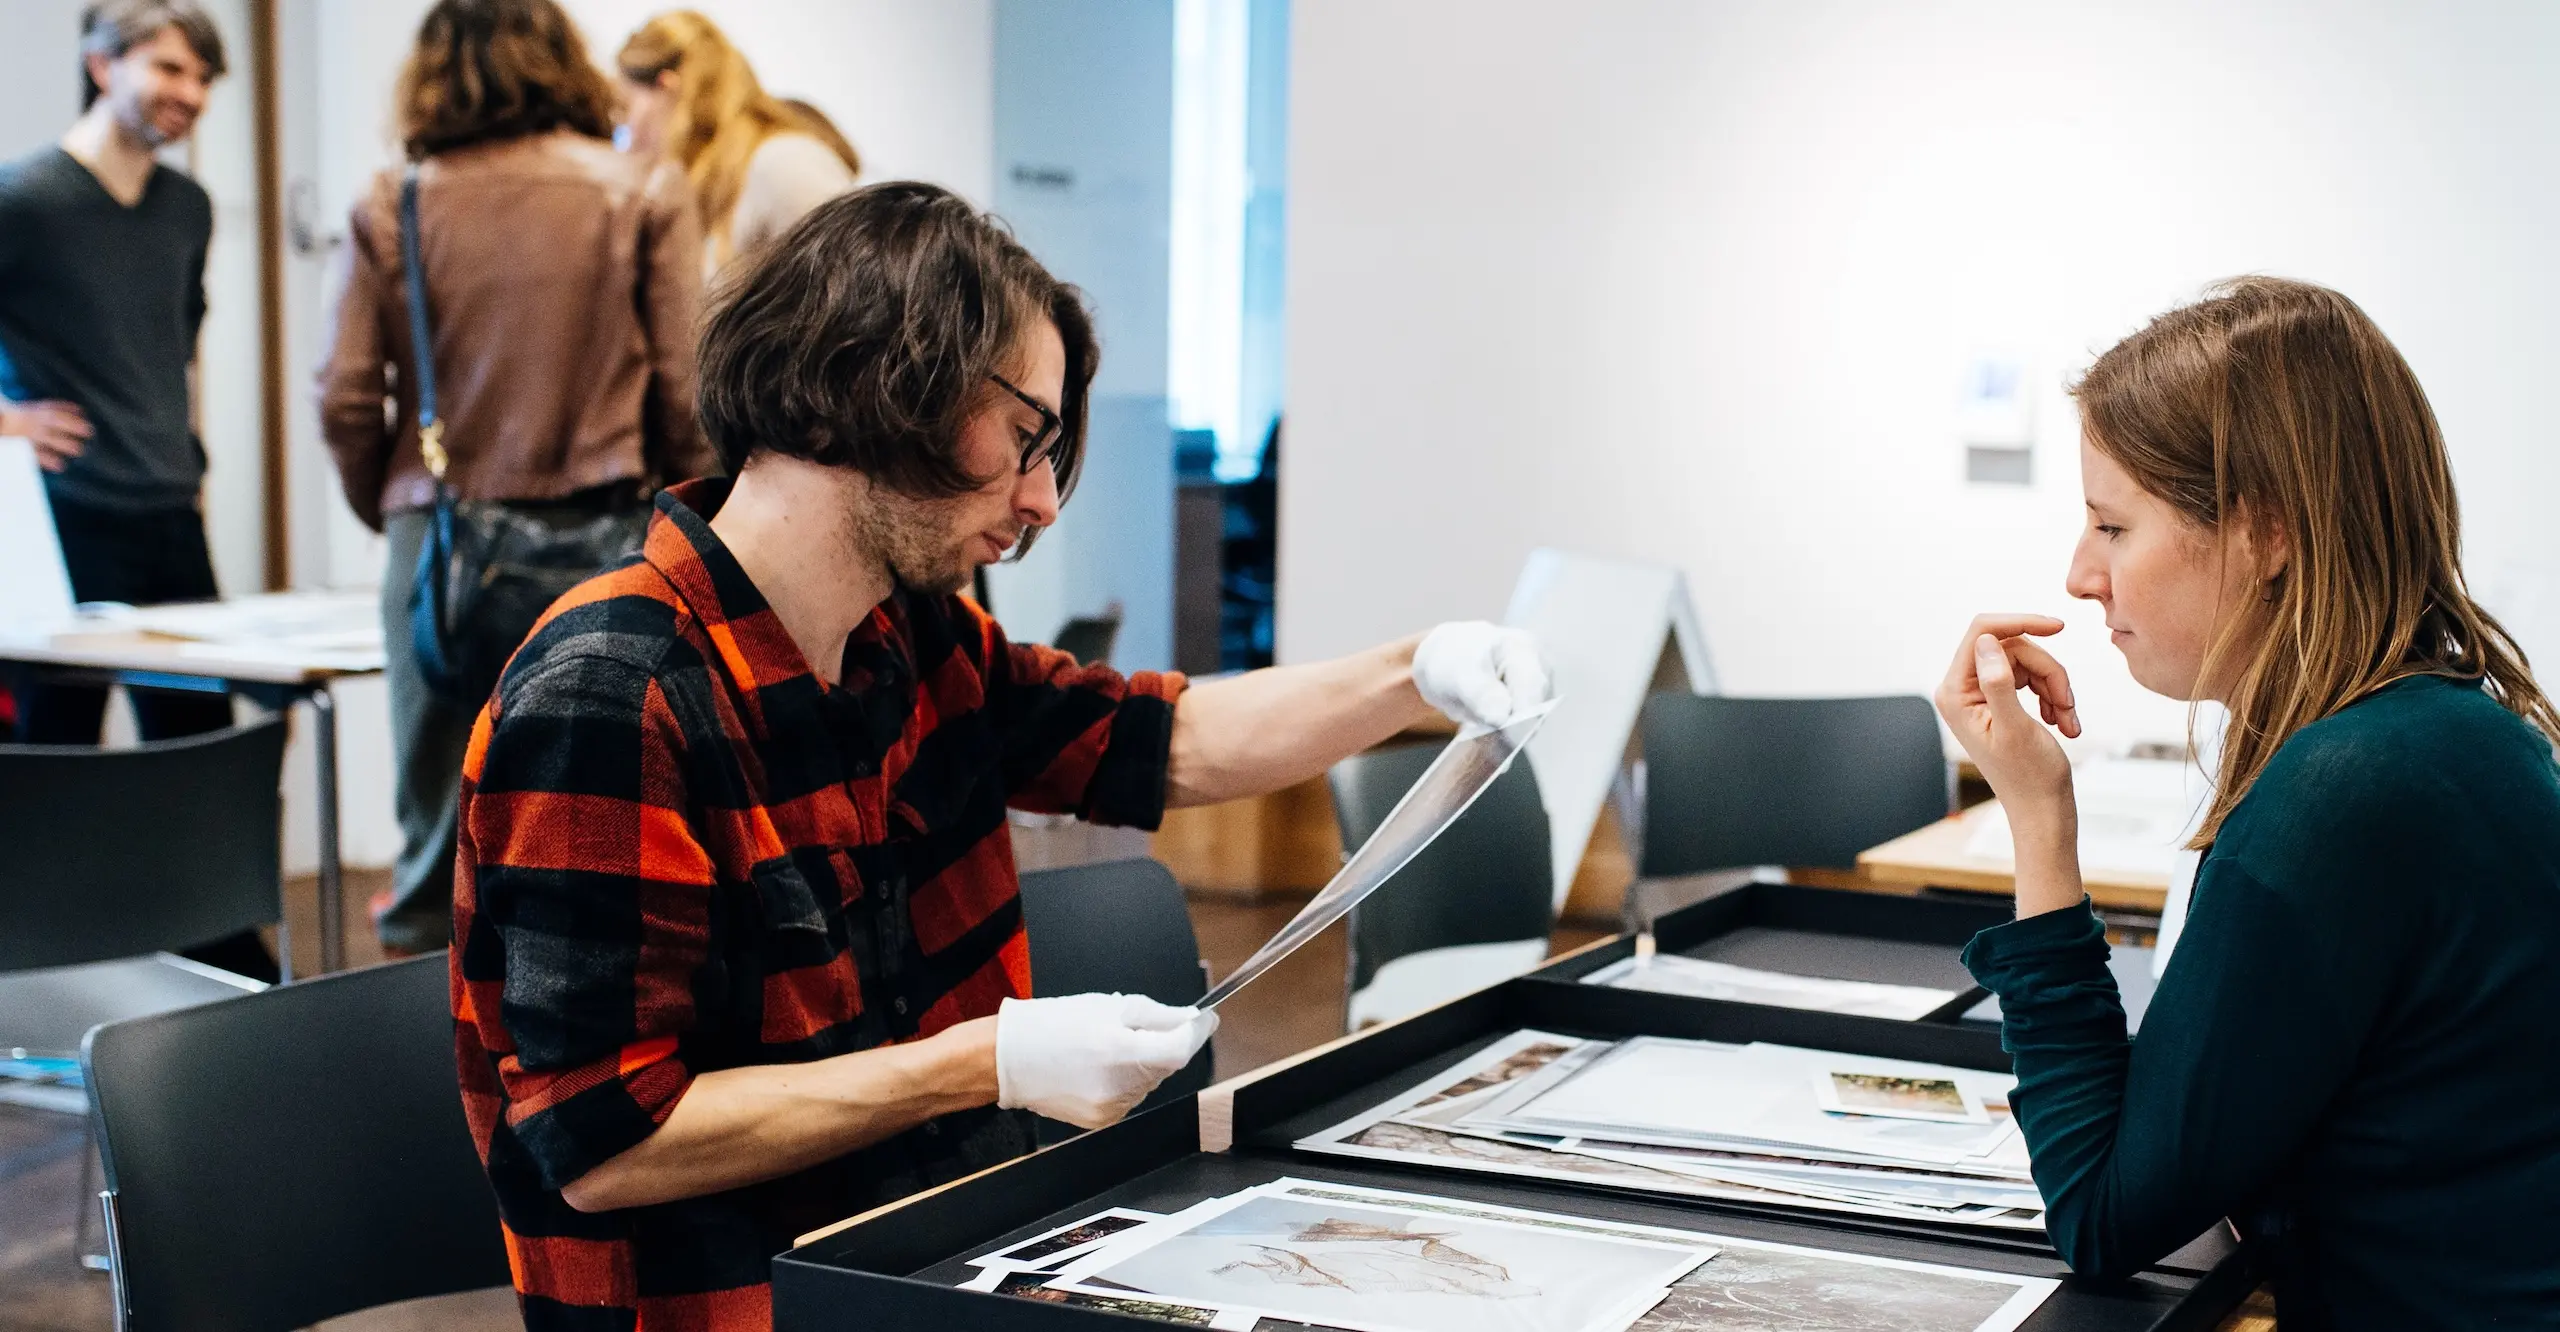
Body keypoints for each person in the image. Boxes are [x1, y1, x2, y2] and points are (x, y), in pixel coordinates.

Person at [451, 180, 1553, 1331]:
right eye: (1024, 436)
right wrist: (989, 1063)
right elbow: (605, 1145)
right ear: (867, 383)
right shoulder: (610, 698)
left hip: (935, 1251)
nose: (1040, 499)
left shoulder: (903, 637)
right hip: (737, 1305)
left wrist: (1414, 671)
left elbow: (1159, 741)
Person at [1939, 278, 2560, 1328]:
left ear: (2264, 534)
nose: (2080, 575)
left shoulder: (2338, 794)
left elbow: (2100, 1214)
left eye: (2111, 525)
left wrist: (2038, 819)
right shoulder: (2451, 727)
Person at [319, 0, 716, 956]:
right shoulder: (645, 189)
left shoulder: (395, 199)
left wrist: (397, 502)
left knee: (436, 837)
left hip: (442, 542)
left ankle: (418, 1069)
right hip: (610, 536)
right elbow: (685, 392)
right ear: (562, 63)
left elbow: (342, 396)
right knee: (605, 812)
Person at [0, 2, 278, 982]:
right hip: (66, 522)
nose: (188, 95)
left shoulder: (185, 207)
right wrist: (8, 421)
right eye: (168, 68)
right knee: (59, 763)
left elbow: (176, 347)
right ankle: (44, 977)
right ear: (99, 62)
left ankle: (222, 970)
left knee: (194, 759)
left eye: (203, 80)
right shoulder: (23, 196)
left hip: (167, 510)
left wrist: (185, 458)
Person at [615, 10, 859, 276]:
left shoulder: (784, 162)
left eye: (626, 108)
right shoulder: (715, 183)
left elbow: (856, 291)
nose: (629, 138)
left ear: (668, 88)